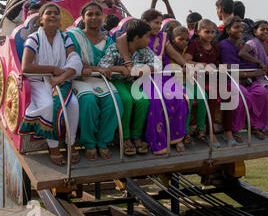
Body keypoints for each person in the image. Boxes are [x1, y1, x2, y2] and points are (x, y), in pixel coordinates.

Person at [18, 3, 83, 166]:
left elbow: (74, 59)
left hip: (61, 80)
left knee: (73, 104)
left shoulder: (66, 38)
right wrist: (53, 69)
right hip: (39, 81)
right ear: (41, 19)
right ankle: (53, 147)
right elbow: (26, 67)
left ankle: (71, 143)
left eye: (56, 13)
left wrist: (62, 76)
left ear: (60, 19)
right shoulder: (34, 38)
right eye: (48, 13)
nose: (53, 15)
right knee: (48, 105)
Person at [66, 2, 124, 161]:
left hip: (101, 80)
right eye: (89, 14)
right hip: (79, 78)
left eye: (97, 14)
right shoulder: (74, 36)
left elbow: (114, 63)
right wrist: (97, 69)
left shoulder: (109, 40)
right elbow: (74, 63)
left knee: (115, 102)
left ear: (102, 17)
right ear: (83, 18)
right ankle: (89, 144)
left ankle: (103, 142)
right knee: (88, 100)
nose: (93, 17)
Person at [98, 20, 155, 156]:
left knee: (143, 101)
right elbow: (103, 66)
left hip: (131, 82)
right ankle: (125, 137)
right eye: (147, 36)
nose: (149, 40)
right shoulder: (114, 49)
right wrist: (118, 68)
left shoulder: (144, 51)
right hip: (116, 81)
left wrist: (144, 69)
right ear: (136, 38)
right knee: (126, 100)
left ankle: (136, 136)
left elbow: (155, 64)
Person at [140, 9, 188, 154]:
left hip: (164, 76)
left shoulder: (164, 37)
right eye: (156, 23)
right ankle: (156, 141)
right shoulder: (139, 36)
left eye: (160, 23)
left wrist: (185, 65)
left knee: (180, 97)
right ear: (145, 23)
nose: (159, 26)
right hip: (145, 77)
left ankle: (176, 138)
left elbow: (173, 54)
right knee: (155, 102)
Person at [218, 16, 268, 142]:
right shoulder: (224, 45)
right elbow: (228, 68)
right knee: (243, 94)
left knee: (262, 92)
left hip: (246, 79)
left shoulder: (243, 44)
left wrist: (254, 70)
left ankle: (255, 125)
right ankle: (235, 128)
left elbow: (249, 64)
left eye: (241, 27)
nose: (240, 29)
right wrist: (249, 74)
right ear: (228, 30)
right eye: (236, 27)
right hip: (230, 79)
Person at [184, 19, 235, 148]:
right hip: (198, 79)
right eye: (207, 32)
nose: (210, 35)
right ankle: (210, 132)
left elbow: (217, 62)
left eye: (212, 32)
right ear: (198, 32)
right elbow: (186, 60)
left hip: (214, 78)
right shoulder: (194, 44)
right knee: (212, 96)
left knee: (228, 94)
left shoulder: (215, 45)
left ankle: (228, 131)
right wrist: (202, 65)